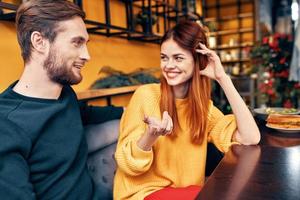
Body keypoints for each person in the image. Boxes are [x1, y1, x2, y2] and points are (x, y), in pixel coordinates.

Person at [113, 21, 261, 200]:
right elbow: (127, 164)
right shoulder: (146, 95)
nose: (168, 65)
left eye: (178, 58)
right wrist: (150, 136)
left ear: (197, 60)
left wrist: (223, 79)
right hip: (143, 193)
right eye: (164, 57)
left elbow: (250, 138)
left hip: (187, 194)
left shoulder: (203, 108)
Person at [0, 0, 123, 199]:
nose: (87, 55)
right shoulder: (6, 123)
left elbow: (90, 114)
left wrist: (136, 110)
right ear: (39, 42)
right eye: (77, 42)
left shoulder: (65, 94)